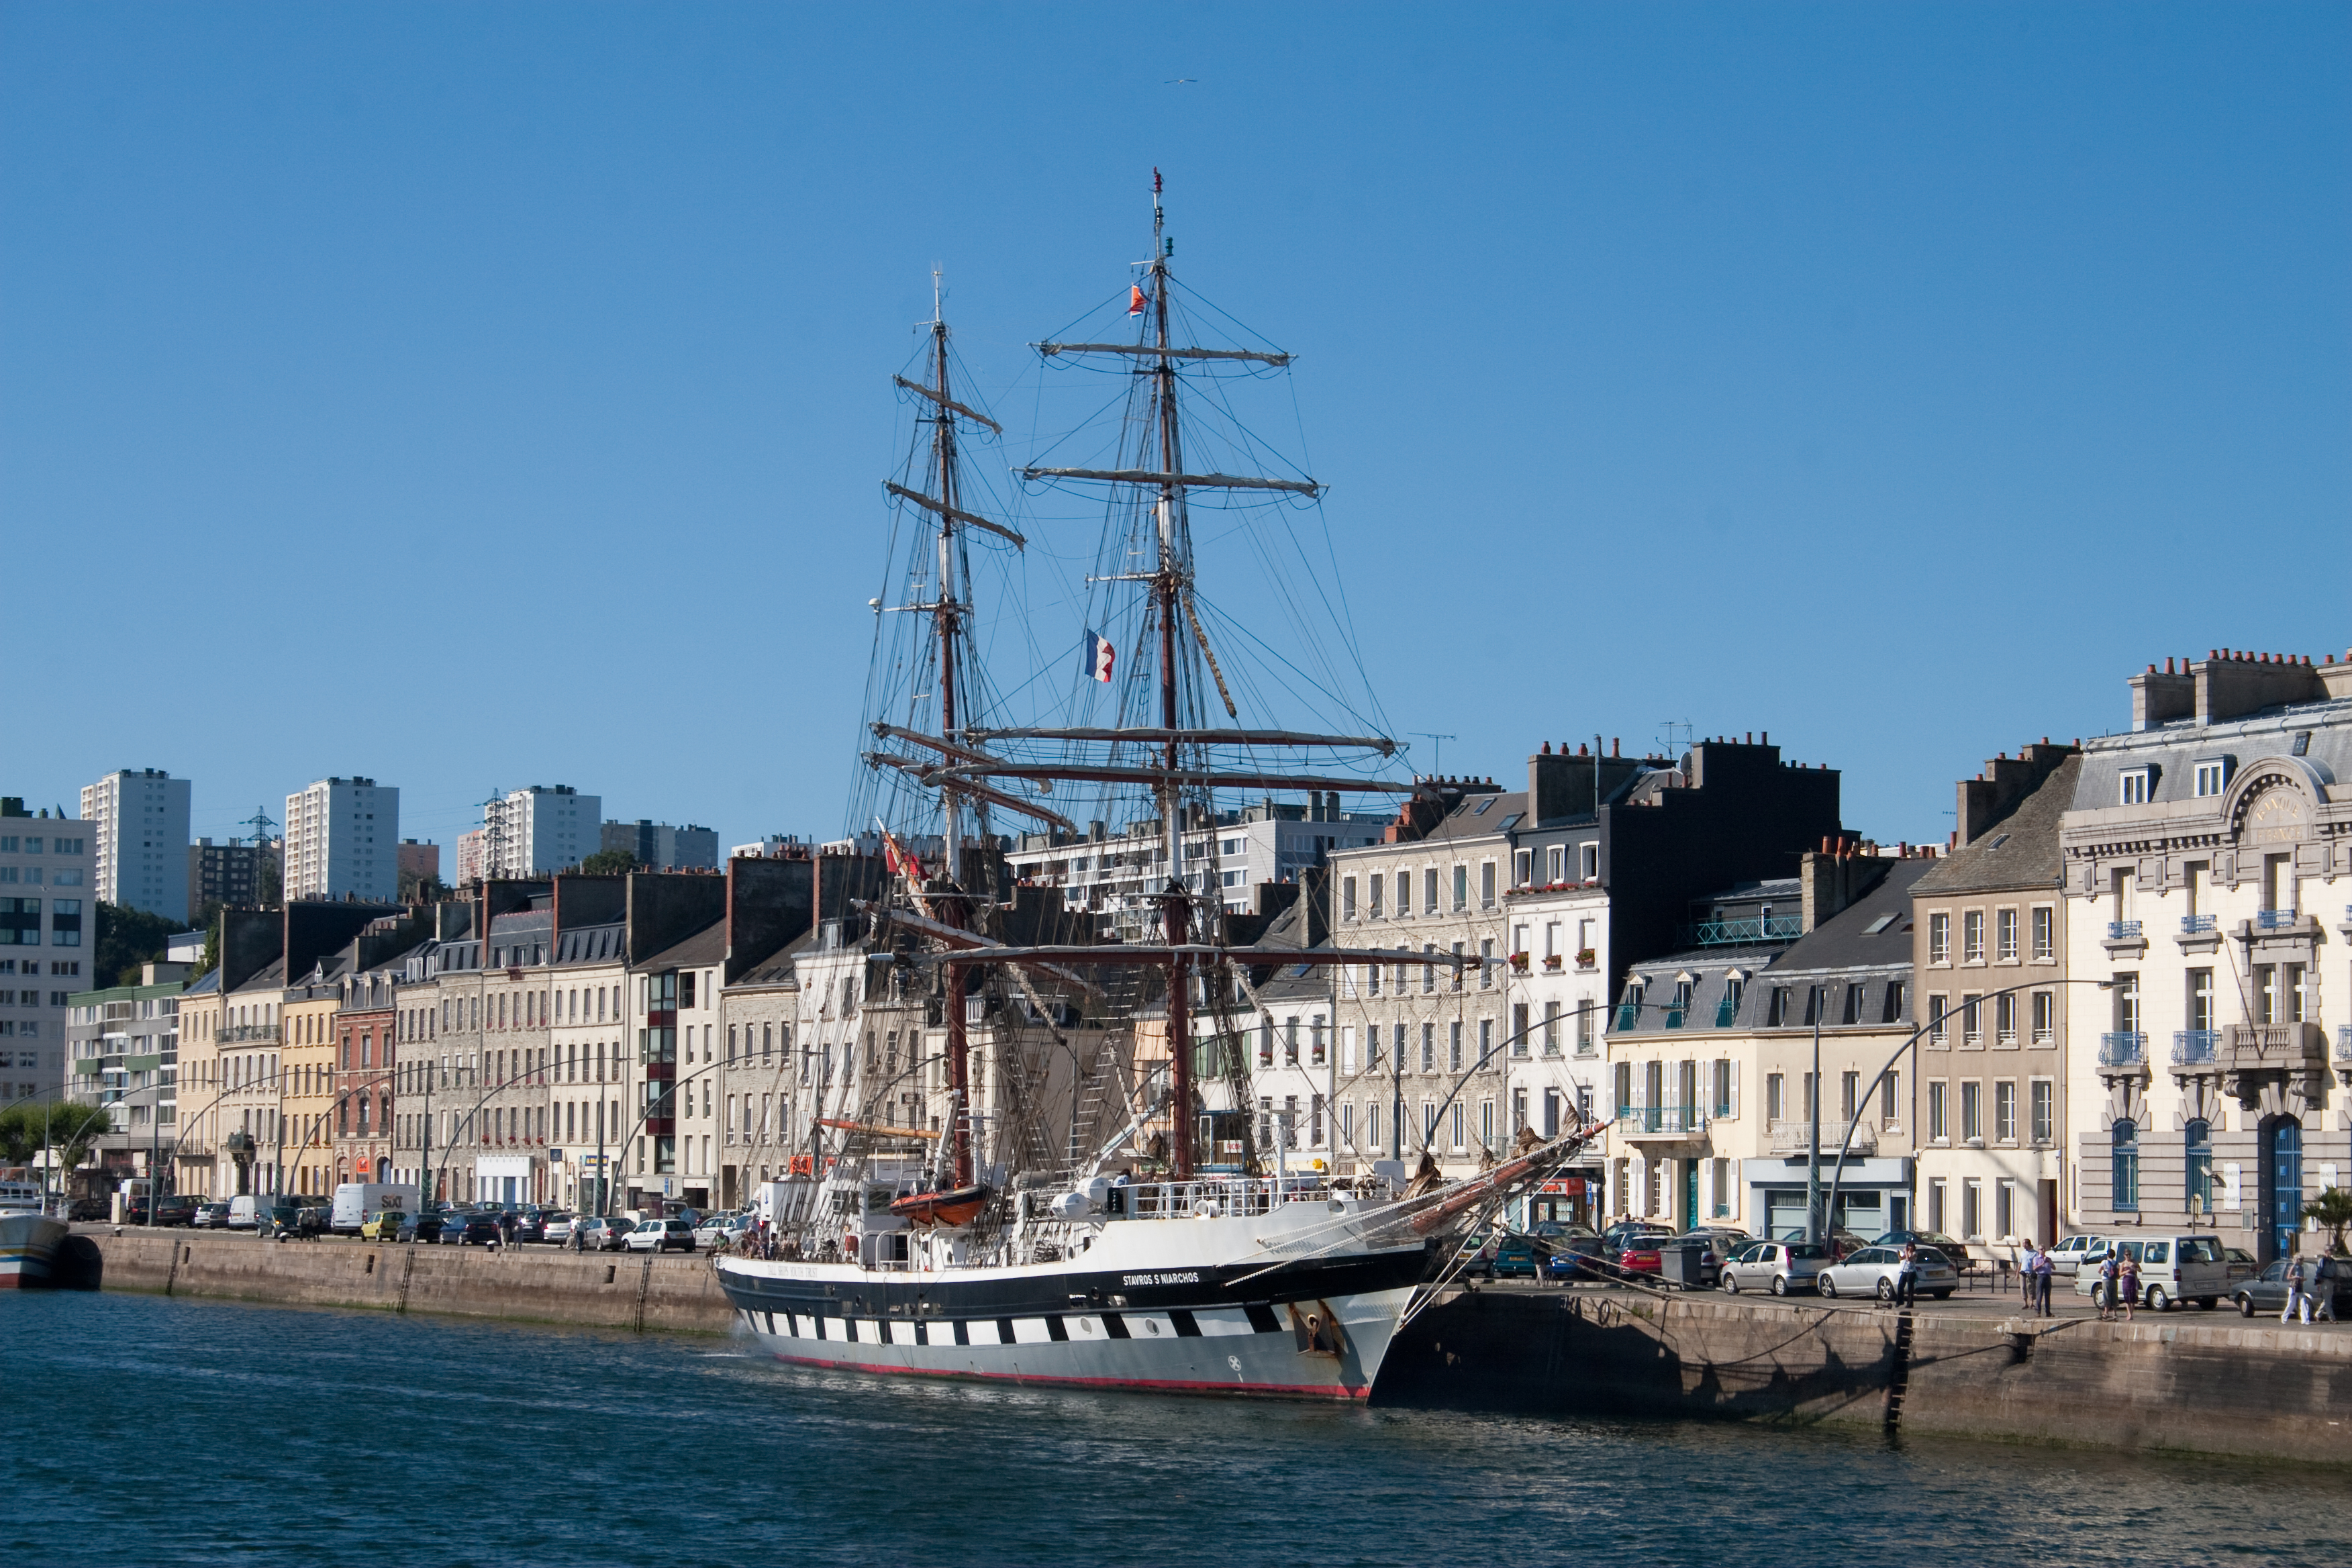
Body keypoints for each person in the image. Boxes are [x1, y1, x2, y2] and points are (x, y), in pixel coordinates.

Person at [2030, 1240, 2057, 1317]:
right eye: (2041, 1249)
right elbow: (2035, 1268)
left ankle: (2048, 1312)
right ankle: (2038, 1311)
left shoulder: (2048, 1258)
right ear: (2039, 1250)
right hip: (2040, 1276)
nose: (2043, 1251)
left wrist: (2050, 1263)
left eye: (2044, 1249)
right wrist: (2042, 1263)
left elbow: (2054, 1268)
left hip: (2048, 1277)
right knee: (2039, 1295)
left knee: (2047, 1295)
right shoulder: (2036, 1259)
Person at [2283, 1252, 2310, 1324]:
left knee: (2304, 1303)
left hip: (2300, 1286)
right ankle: (2284, 1318)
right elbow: (2288, 1277)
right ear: (2296, 1260)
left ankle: (2305, 1320)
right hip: (2293, 1287)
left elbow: (2302, 1277)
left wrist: (2303, 1279)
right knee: (2291, 1304)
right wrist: (2295, 1277)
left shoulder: (2302, 1268)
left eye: (2302, 1259)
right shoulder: (2293, 1267)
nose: (2301, 1261)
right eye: (2300, 1259)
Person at [2096, 1247, 2122, 1321]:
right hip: (2114, 1281)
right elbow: (2119, 1273)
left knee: (2107, 1296)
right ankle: (2115, 1314)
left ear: (2108, 1255)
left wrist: (2103, 1272)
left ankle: (2106, 1313)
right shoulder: (2116, 1263)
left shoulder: (2104, 1262)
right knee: (2114, 1296)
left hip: (2106, 1280)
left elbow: (2099, 1270)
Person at [2116, 1247, 2141, 1322]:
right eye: (2127, 1255)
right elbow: (2120, 1274)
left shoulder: (2134, 1262)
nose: (2128, 1256)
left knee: (2133, 1298)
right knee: (2127, 1298)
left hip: (2133, 1280)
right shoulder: (2123, 1264)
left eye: (2130, 1255)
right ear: (2124, 1255)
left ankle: (2131, 1314)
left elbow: (2140, 1270)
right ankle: (2129, 1314)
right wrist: (2126, 1271)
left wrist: (2135, 1269)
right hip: (2126, 1280)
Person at [1894, 1241, 1919, 1308]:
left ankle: (1910, 1303)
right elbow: (1901, 1258)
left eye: (1911, 1246)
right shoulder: (1906, 1253)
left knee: (1910, 1288)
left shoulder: (1914, 1253)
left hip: (1911, 1272)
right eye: (1909, 1246)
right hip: (1904, 1271)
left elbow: (1908, 1259)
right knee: (1900, 1286)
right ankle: (1900, 1301)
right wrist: (1898, 1254)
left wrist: (1906, 1252)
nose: (1910, 1248)